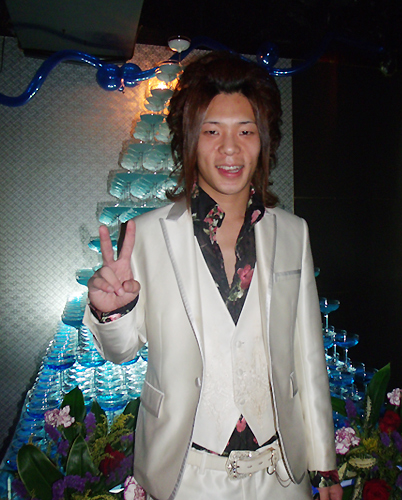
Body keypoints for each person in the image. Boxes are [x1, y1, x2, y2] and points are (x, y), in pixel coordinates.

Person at [84, 51, 342, 500]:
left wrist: (324, 465)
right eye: (211, 131)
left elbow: (309, 356)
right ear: (189, 141)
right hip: (188, 475)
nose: (229, 148)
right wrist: (113, 312)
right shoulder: (146, 236)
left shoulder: (292, 233)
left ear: (263, 141)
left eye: (245, 131)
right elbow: (121, 352)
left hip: (280, 475)